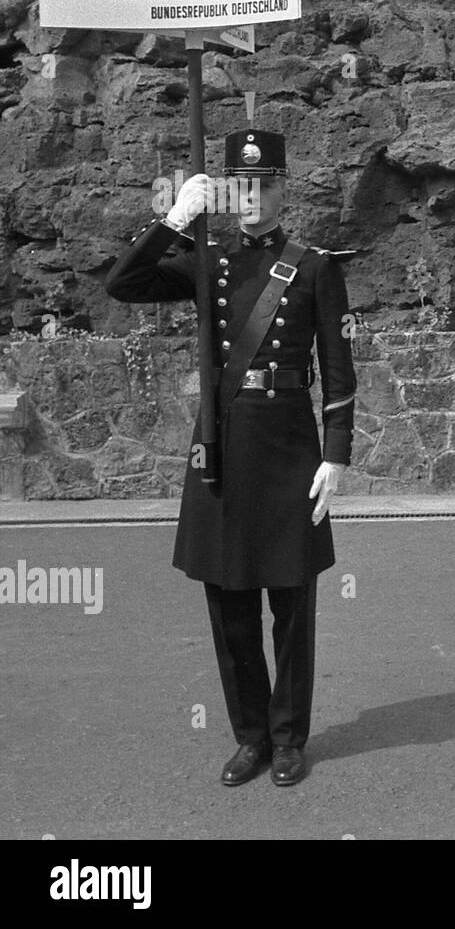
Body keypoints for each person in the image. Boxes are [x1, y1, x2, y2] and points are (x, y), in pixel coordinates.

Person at [105, 129, 356, 788]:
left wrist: (337, 454)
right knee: (231, 606)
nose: (252, 196)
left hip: (289, 450)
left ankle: (288, 737)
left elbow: (337, 366)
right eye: (240, 185)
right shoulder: (207, 260)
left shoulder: (312, 267)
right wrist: (173, 222)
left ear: (281, 189)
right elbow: (122, 282)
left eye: (264, 183)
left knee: (292, 605)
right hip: (221, 449)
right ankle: (250, 735)